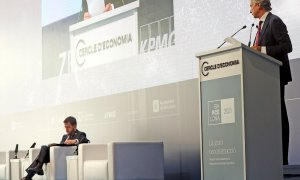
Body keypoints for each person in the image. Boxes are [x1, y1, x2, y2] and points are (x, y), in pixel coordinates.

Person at [250, 0, 293, 165]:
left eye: (251, 6)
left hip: (275, 75)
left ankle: (283, 160)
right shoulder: (259, 26)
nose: (250, 10)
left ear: (259, 5)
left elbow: (287, 46)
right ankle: (271, 158)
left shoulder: (275, 21)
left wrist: (261, 49)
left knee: (279, 115)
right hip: (262, 78)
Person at [21, 116, 89, 180]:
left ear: (74, 126)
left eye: (68, 127)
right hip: (56, 155)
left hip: (65, 157)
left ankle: (30, 175)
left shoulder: (81, 134)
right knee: (44, 147)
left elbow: (85, 140)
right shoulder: (64, 136)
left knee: (42, 154)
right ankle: (38, 168)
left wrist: (75, 141)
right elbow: (60, 146)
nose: (66, 129)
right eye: (65, 127)